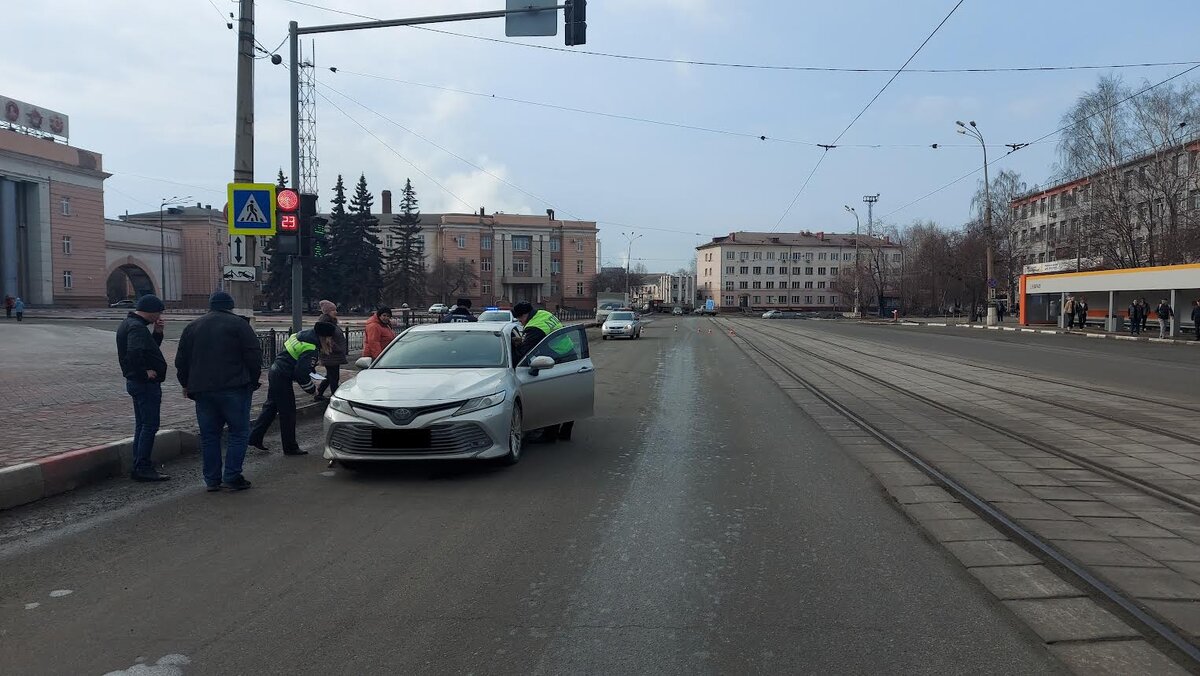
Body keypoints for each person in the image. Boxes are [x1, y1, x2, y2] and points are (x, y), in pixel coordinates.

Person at [175, 291, 262, 492]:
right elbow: (254, 355)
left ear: (211, 306)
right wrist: (252, 380)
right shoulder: (240, 325)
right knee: (239, 433)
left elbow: (181, 361)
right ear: (230, 306)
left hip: (203, 391)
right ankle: (232, 476)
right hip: (235, 388)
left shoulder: (192, 327)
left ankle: (212, 480)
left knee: (209, 436)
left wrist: (186, 384)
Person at [248, 321, 336, 455]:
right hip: (283, 376)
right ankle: (290, 447)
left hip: (276, 370)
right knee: (288, 413)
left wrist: (309, 367)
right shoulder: (310, 347)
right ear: (324, 337)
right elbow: (300, 373)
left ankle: (254, 437)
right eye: (330, 338)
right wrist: (312, 389)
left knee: (271, 407)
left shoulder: (300, 335)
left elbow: (295, 358)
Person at [116, 294, 170, 482]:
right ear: (152, 312)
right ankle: (142, 467)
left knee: (142, 425)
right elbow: (134, 353)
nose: (160, 316)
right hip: (144, 384)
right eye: (159, 313)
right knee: (149, 425)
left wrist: (158, 333)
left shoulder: (130, 324)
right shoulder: (137, 328)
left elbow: (148, 350)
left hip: (137, 383)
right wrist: (143, 373)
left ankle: (139, 464)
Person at [511, 302, 576, 441]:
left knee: (553, 399)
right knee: (568, 398)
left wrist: (516, 347)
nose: (520, 323)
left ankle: (550, 435)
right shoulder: (543, 314)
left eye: (519, 319)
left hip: (558, 360)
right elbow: (542, 339)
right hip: (569, 355)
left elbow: (523, 354)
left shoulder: (534, 327)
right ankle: (565, 433)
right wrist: (523, 340)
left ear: (524, 315)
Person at [314, 299, 347, 401]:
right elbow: (326, 341)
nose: (335, 312)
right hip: (331, 354)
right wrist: (338, 348)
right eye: (333, 310)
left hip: (334, 354)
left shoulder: (331, 322)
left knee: (330, 376)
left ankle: (319, 393)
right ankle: (335, 397)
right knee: (334, 378)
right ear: (327, 312)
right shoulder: (325, 324)